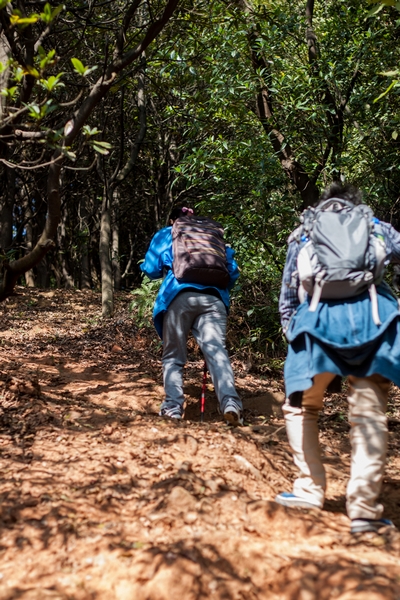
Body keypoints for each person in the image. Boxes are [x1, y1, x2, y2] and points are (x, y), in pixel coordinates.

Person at [275, 182, 400, 534]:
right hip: (376, 320)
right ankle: (363, 510)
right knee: (369, 413)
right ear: (354, 205)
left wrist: (293, 332)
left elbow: (288, 291)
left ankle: (309, 489)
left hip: (316, 320)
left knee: (302, 406)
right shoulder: (375, 226)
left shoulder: (305, 231)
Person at [141, 206, 243, 425]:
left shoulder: (166, 233)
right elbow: (232, 272)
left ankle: (172, 408)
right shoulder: (213, 237)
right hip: (214, 299)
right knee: (216, 352)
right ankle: (231, 404)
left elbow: (150, 268)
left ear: (172, 220)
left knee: (173, 356)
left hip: (178, 297)